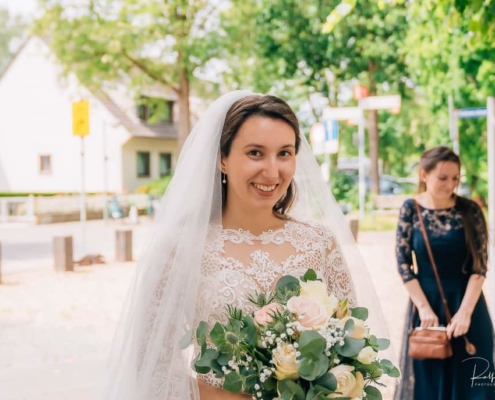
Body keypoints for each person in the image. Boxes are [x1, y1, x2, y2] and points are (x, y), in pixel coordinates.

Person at [104, 91, 394, 399]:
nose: (272, 171)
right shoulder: (181, 247)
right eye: (255, 153)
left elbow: (351, 342)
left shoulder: (319, 242)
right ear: (223, 159)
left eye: (284, 153)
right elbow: (152, 365)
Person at [394, 146, 495, 400]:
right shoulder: (410, 209)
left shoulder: (470, 210)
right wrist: (424, 308)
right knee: (430, 385)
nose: (450, 184)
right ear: (424, 175)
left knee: (476, 385)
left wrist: (465, 313)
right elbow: (403, 263)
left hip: (468, 303)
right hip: (426, 306)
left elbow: (479, 266)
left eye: (455, 178)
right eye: (443, 178)